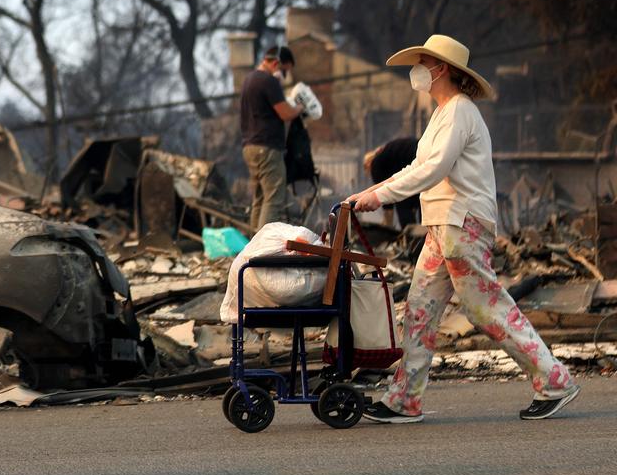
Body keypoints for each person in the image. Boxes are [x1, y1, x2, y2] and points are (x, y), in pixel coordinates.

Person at [345, 35, 579, 423]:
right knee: (420, 309)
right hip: (445, 225)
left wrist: (380, 197)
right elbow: (419, 168)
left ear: (443, 70)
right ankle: (404, 399)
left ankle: (554, 380)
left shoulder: (459, 112)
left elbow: (433, 169)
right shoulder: (442, 114)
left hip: (463, 224)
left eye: (424, 63)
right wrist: (368, 194)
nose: (418, 70)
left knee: (485, 308)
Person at [240, 46, 304, 230]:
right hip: (267, 147)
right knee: (274, 198)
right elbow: (285, 113)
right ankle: (263, 250)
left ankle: (252, 248)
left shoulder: (249, 80)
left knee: (259, 199)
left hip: (250, 147)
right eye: (284, 70)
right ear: (276, 63)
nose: (284, 75)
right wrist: (299, 107)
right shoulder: (268, 81)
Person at [363, 136, 421, 227]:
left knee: (402, 200)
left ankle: (411, 236)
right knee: (421, 200)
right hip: (421, 153)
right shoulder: (386, 155)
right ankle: (421, 234)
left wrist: (386, 228)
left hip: (415, 159)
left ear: (367, 165)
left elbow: (387, 204)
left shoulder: (375, 164)